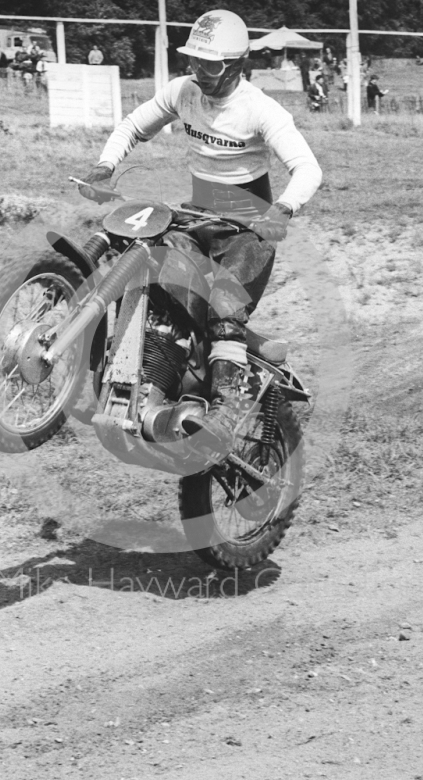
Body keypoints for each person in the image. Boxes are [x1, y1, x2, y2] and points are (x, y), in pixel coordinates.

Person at [78, 9, 322, 451]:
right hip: (195, 218)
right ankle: (147, 385)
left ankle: (227, 410)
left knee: (225, 303)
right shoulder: (182, 91)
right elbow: (134, 125)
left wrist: (283, 209)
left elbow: (307, 168)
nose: (199, 73)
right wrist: (104, 167)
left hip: (248, 231)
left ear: (236, 64)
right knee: (159, 283)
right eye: (194, 62)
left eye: (209, 65)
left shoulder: (260, 109)